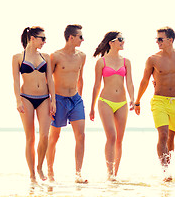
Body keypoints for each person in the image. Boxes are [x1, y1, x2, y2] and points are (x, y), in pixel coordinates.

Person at [134, 26, 175, 181]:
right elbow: (144, 81)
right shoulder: (153, 59)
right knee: (163, 134)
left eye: (160, 39)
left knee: (171, 138)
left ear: (170, 40)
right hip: (159, 101)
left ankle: (168, 168)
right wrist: (137, 101)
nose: (157, 42)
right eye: (156, 39)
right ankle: (165, 172)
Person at [12, 26, 56, 183]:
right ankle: (32, 174)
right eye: (42, 38)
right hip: (26, 98)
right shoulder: (18, 57)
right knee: (30, 137)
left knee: (45, 135)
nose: (45, 41)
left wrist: (54, 101)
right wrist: (18, 100)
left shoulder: (45, 56)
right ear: (32, 38)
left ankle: (39, 166)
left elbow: (50, 79)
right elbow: (16, 81)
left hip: (44, 98)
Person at [89, 31, 134, 181]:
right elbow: (96, 86)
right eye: (120, 39)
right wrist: (92, 107)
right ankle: (109, 173)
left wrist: (133, 99)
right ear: (111, 42)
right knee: (112, 136)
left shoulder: (126, 61)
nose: (123, 42)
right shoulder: (101, 62)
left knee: (119, 139)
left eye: (123, 39)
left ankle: (115, 174)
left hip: (122, 103)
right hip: (105, 102)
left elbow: (129, 83)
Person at [46, 24, 88, 183]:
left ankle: (78, 174)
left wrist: (81, 98)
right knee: (54, 137)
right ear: (71, 37)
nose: (83, 39)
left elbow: (80, 78)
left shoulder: (82, 56)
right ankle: (50, 172)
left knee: (81, 136)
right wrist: (52, 101)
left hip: (76, 100)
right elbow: (48, 80)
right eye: (80, 37)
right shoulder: (55, 56)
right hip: (59, 100)